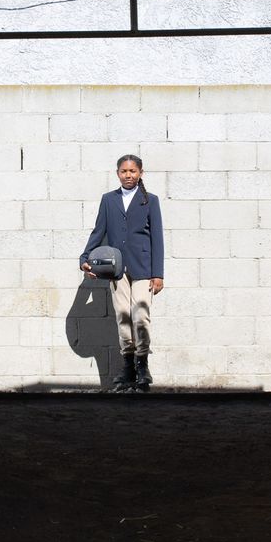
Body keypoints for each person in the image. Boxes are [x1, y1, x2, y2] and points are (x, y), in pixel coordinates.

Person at [80, 155, 164, 391]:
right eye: (124, 171)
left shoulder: (150, 200)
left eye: (133, 171)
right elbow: (99, 231)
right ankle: (128, 365)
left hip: (143, 268)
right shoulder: (108, 200)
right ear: (117, 173)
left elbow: (157, 238)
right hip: (116, 270)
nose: (129, 175)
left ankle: (142, 364)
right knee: (122, 316)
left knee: (140, 315)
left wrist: (158, 273)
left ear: (141, 173)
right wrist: (85, 258)